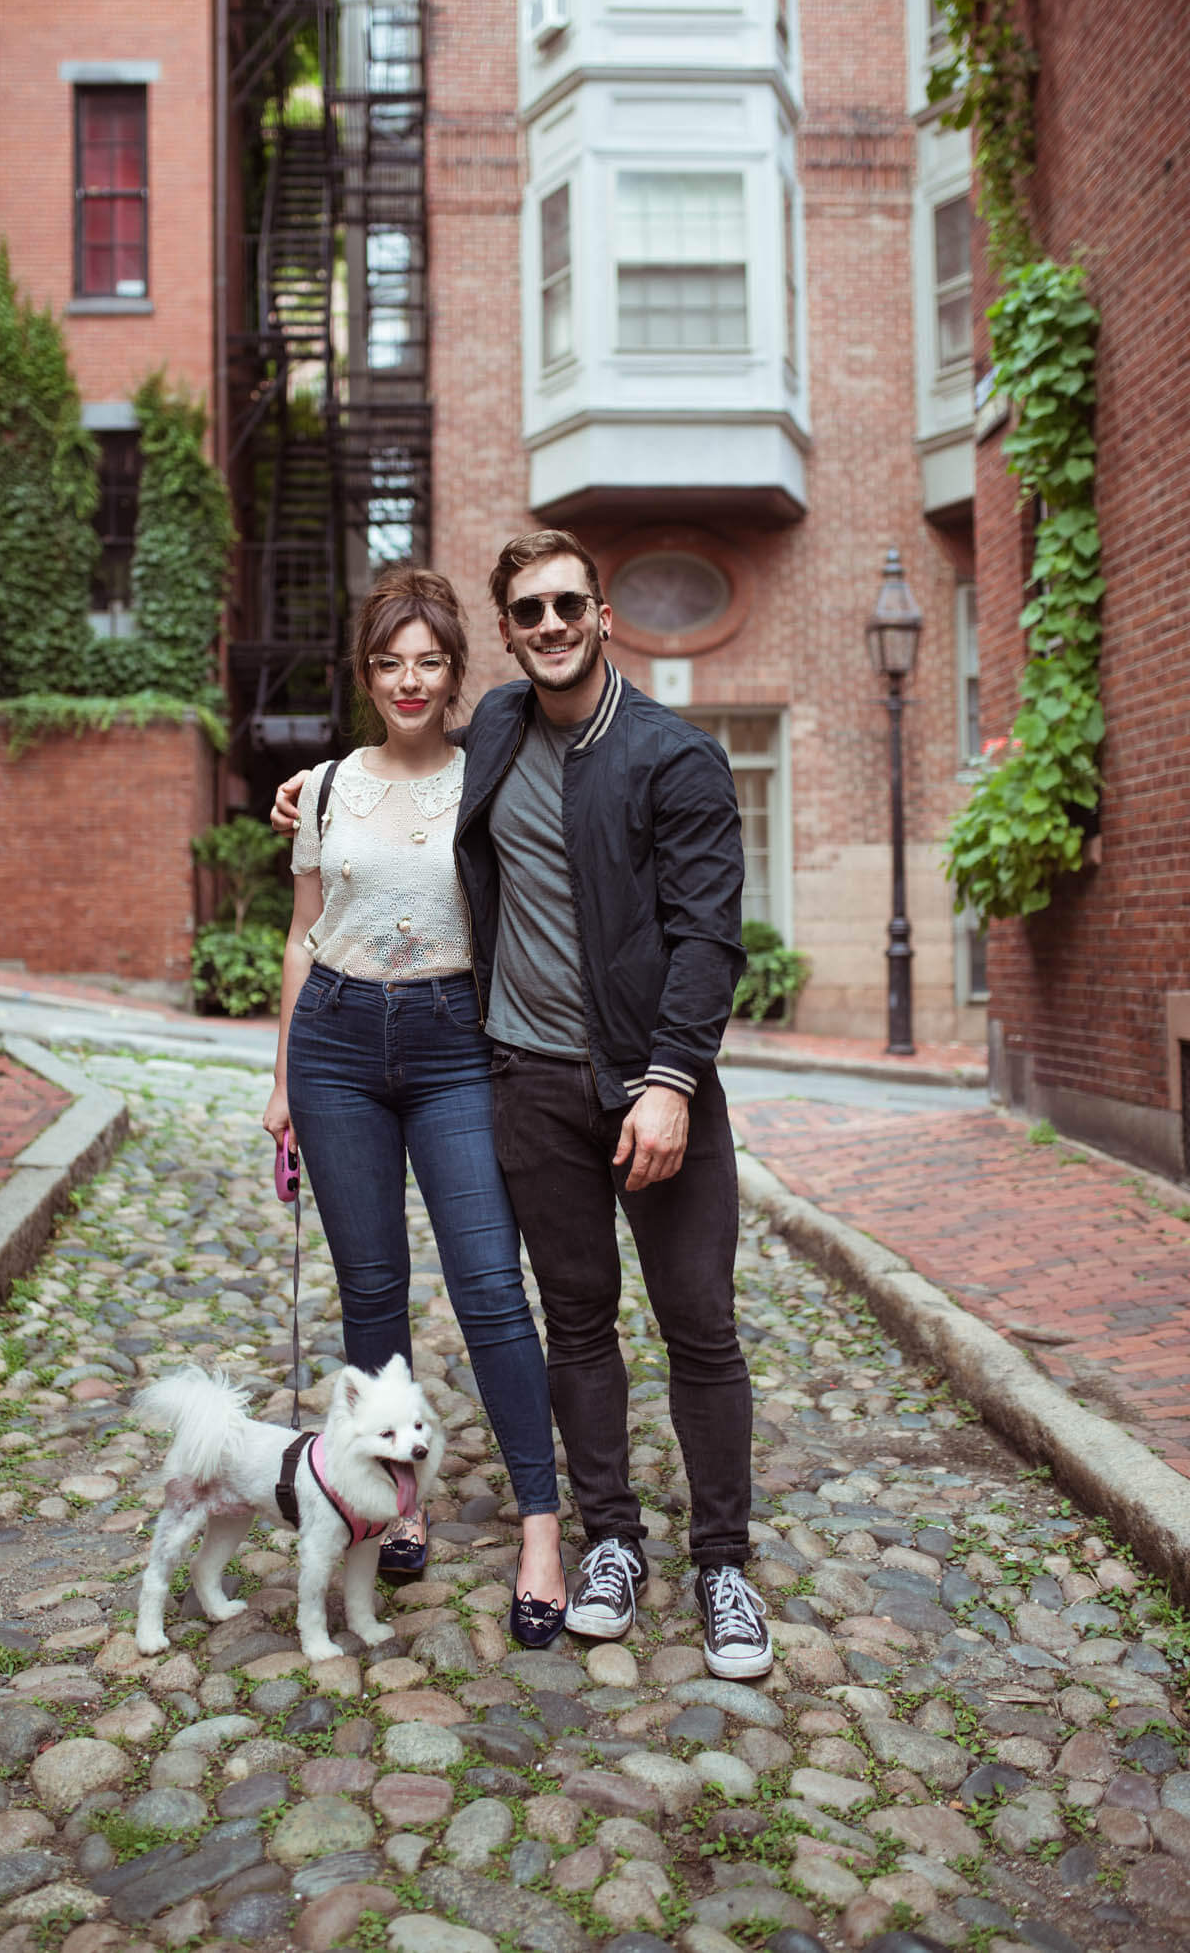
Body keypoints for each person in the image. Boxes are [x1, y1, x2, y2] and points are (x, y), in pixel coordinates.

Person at [273, 530, 770, 1678]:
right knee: (577, 1318)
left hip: (652, 1084)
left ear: (602, 614)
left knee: (696, 1321)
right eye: (527, 612)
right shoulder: (493, 730)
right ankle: (607, 1542)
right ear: (505, 634)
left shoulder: (673, 756)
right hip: (527, 1081)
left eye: (565, 606)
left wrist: (669, 1078)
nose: (548, 626)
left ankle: (723, 1564)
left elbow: (707, 938)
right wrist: (311, 791)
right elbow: (390, 780)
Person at [261, 566, 566, 1644]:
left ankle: (541, 1524)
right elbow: (302, 933)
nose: (407, 680)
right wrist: (283, 1074)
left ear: (453, 674)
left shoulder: (491, 772)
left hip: (452, 1044)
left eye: (427, 661)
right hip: (337, 1039)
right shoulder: (330, 787)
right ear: (365, 672)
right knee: (371, 1289)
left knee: (489, 1286)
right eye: (387, 661)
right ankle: (397, 1500)